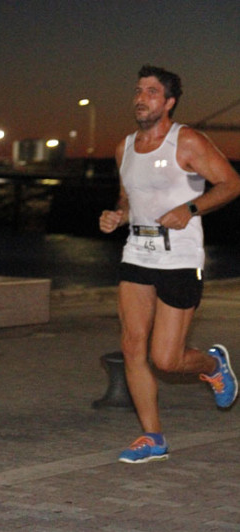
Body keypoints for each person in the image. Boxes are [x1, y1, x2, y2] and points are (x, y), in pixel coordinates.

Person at [99, 65, 240, 464]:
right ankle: (152, 436)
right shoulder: (123, 147)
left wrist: (191, 207)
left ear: (169, 102)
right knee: (131, 347)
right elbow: (128, 197)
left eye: (152, 92)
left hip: (178, 257)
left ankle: (213, 363)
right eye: (138, 90)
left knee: (167, 359)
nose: (141, 98)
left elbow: (231, 183)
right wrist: (118, 215)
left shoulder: (188, 141)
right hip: (136, 254)